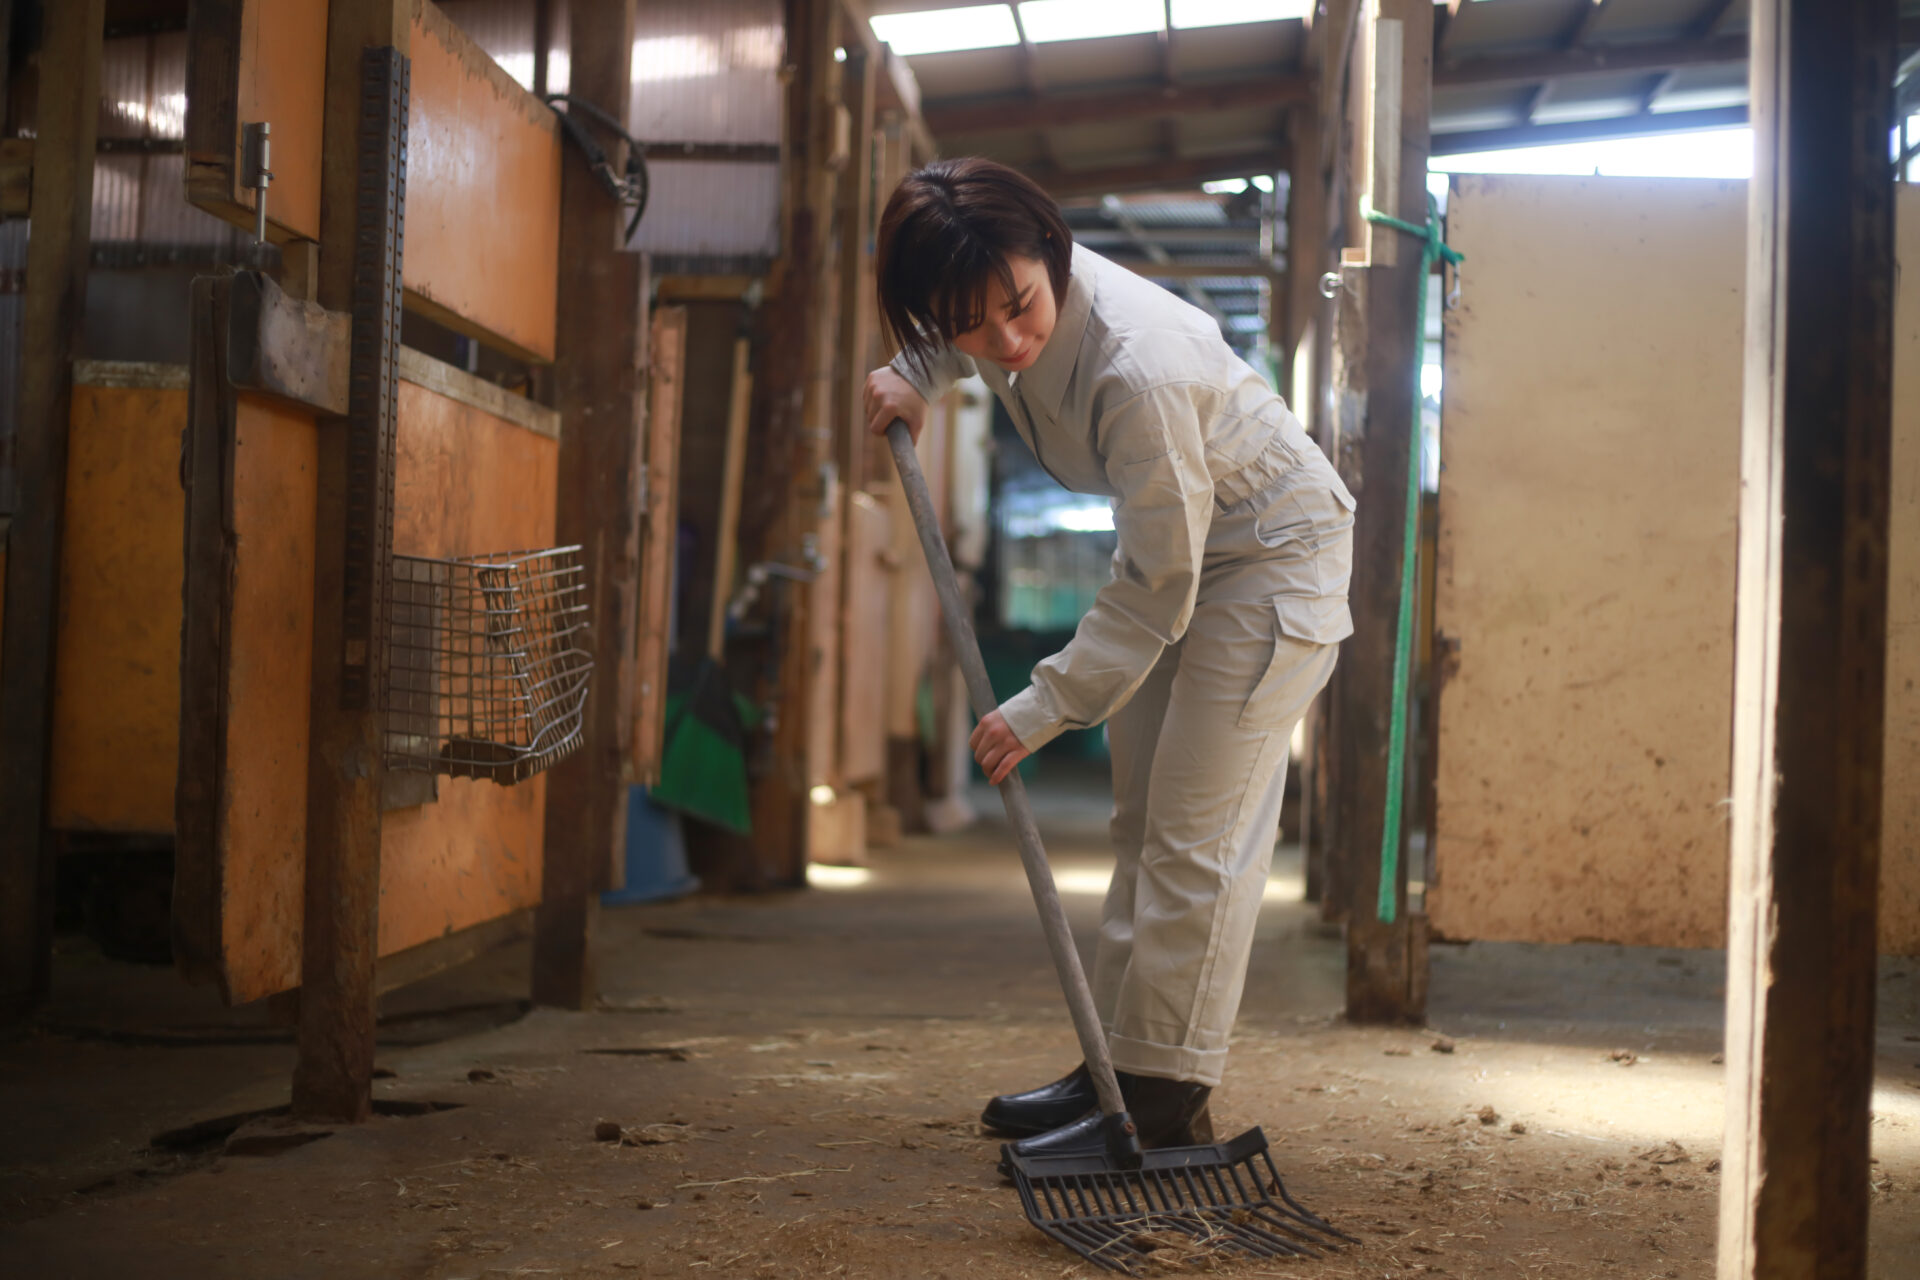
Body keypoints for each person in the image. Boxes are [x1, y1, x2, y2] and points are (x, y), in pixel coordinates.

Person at [863, 157, 1354, 1164]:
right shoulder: (990, 311)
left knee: (1194, 836)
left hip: (1269, 559)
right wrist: (913, 374)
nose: (1006, 341)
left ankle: (1167, 1100)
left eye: (1018, 308)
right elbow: (957, 345)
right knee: (1142, 820)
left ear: (1050, 250)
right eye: (969, 325)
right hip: (1192, 555)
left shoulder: (1143, 365)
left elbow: (1157, 584)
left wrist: (1042, 706)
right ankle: (1116, 1066)